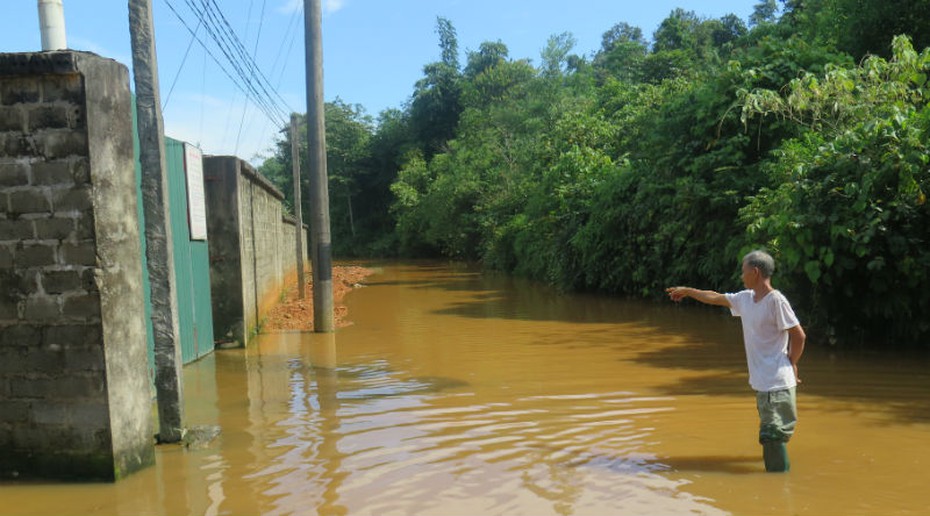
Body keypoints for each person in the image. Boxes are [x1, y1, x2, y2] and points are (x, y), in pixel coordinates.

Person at [666, 250, 806, 472]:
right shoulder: (746, 299)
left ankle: (778, 488)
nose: (741, 276)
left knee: (772, 436)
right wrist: (688, 292)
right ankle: (777, 475)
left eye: (743, 271)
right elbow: (715, 297)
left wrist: (791, 363)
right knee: (772, 434)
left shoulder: (775, 301)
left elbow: (798, 335)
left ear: (755, 272)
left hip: (776, 382)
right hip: (764, 383)